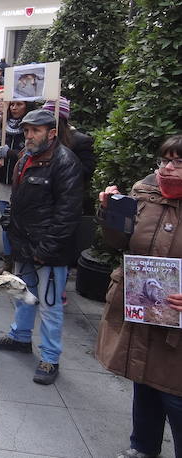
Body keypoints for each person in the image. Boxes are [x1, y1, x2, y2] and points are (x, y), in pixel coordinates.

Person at [96, 135, 182, 458]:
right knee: (143, 380)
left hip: (177, 326)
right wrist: (110, 213)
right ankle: (142, 447)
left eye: (178, 162)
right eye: (165, 161)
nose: (169, 169)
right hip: (144, 311)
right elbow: (119, 242)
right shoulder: (144, 192)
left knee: (174, 394)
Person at [0, 109, 82, 385]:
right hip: (25, 244)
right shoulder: (26, 159)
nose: (29, 135)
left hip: (49, 251)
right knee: (23, 294)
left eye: (36, 131)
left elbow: (68, 214)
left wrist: (47, 249)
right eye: (27, 130)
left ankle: (50, 358)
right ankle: (20, 337)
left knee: (50, 305)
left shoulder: (65, 162)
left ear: (51, 133)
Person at [0, 100, 36, 272]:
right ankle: (8, 261)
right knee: (5, 221)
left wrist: (10, 153)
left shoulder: (31, 127)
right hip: (3, 179)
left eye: (19, 104)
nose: (14, 108)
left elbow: (29, 153)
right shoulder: (2, 123)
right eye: (12, 104)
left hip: (22, 181)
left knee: (19, 223)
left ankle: (20, 259)